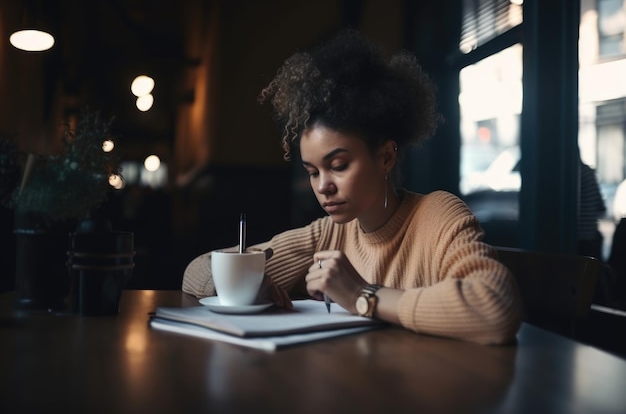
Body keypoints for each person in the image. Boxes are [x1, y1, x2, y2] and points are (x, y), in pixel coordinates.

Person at [183, 29, 521, 345]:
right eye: (313, 172)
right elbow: (195, 272)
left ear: (386, 156)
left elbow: (495, 307)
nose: (323, 187)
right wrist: (247, 285)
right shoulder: (326, 234)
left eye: (339, 165)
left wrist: (362, 294)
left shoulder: (436, 215)